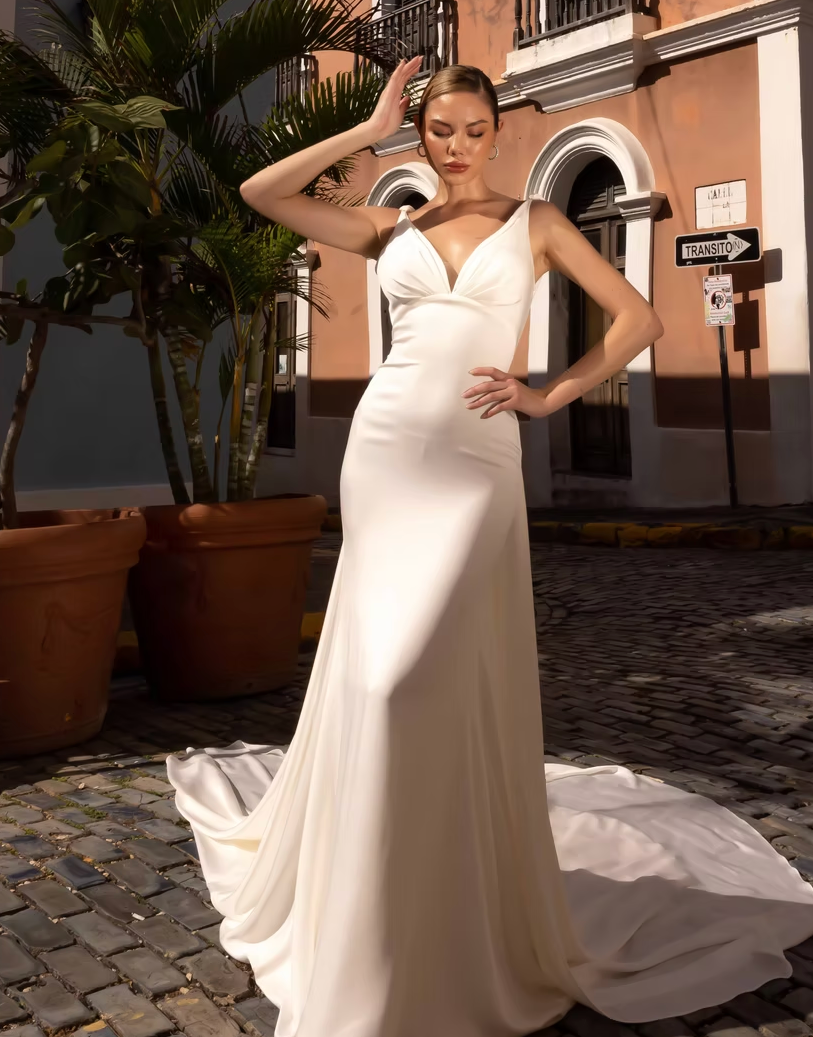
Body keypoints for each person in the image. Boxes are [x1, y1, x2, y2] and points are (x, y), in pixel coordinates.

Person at [167, 60, 813, 1037]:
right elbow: (264, 191)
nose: (454, 144)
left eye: (471, 128)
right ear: (421, 136)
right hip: (384, 456)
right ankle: (379, 905)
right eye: (436, 129)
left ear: (497, 130)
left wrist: (548, 393)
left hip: (476, 467)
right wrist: (367, 126)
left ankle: (439, 906)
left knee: (416, 673)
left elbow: (640, 319)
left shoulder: (540, 223)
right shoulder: (393, 227)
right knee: (382, 679)